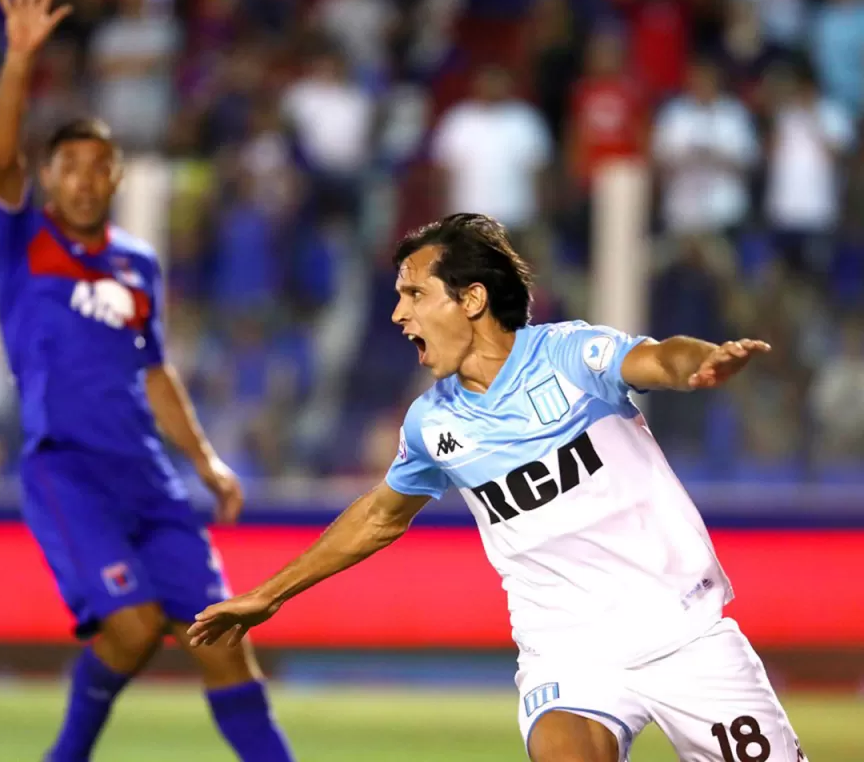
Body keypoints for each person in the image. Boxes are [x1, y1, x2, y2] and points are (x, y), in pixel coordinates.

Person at [191, 213, 808, 762]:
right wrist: (269, 595)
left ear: (472, 299)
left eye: (413, 293)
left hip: (683, 636)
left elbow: (655, 359)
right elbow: (381, 514)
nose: (397, 314)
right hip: (567, 654)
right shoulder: (433, 423)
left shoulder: (568, 355)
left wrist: (700, 362)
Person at [0, 0, 293, 762]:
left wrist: (208, 462)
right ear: (50, 178)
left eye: (99, 165)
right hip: (68, 469)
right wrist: (18, 61)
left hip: (149, 478)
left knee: (221, 639)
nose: (85, 178)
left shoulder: (138, 264)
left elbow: (156, 373)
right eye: (71, 166)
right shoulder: (23, 246)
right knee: (127, 625)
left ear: (117, 175)